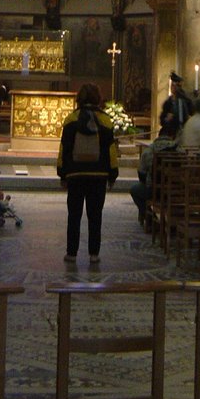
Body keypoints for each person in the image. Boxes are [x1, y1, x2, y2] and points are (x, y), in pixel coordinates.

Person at [57, 83, 118, 264]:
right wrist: (113, 173)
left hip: (76, 174)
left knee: (74, 214)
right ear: (97, 98)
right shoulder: (105, 120)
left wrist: (62, 173)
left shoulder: (71, 119)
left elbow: (65, 148)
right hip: (98, 174)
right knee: (95, 215)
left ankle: (71, 253)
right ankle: (94, 254)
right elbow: (110, 150)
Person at [130, 118, 179, 224]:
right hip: (177, 191)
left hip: (154, 190)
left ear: (159, 136)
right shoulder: (179, 150)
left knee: (134, 189)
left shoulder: (149, 151)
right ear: (173, 136)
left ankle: (149, 215)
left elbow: (141, 173)